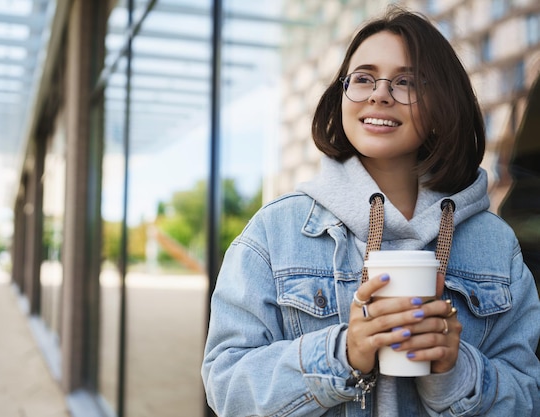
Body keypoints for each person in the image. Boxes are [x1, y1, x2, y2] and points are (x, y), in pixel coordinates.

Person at [201, 6, 540, 417]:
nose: (380, 93)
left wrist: (457, 370)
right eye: (362, 78)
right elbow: (226, 386)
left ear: (441, 103)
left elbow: (528, 397)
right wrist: (343, 352)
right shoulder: (276, 231)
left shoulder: (494, 244)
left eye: (405, 81)